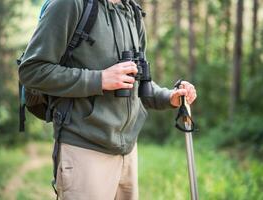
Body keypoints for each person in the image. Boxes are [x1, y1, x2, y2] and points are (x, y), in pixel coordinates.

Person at [18, 0, 197, 199]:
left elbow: (138, 83)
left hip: (128, 152)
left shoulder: (132, 10)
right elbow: (32, 70)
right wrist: (100, 79)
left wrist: (169, 96)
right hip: (84, 149)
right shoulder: (70, 4)